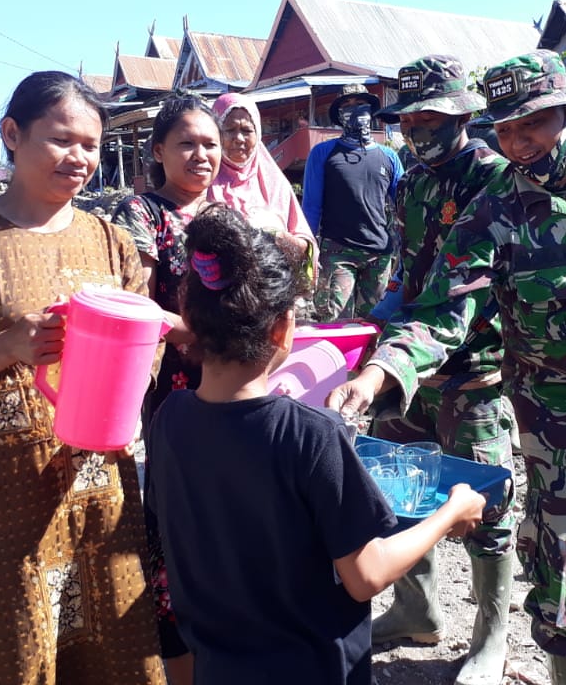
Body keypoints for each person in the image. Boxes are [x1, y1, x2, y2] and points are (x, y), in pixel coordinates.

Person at [329, 50, 566, 684]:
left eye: (532, 124)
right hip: (563, 417)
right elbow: (444, 310)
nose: (517, 142)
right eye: (504, 128)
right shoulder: (493, 209)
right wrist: (382, 369)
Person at [144, 205, 486, 683]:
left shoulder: (168, 420)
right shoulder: (310, 433)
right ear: (283, 329)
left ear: (189, 316)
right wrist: (451, 512)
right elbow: (365, 574)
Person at [0, 71, 163, 684]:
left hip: (98, 486)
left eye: (92, 146)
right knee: (14, 650)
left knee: (112, 646)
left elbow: (143, 345)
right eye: (63, 139)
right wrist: (9, 345)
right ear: (12, 135)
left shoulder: (110, 240)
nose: (80, 159)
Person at [352, 54, 518, 685]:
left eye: (432, 116)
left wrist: (391, 357)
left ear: (465, 114)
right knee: (400, 489)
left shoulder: (496, 180)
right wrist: (381, 315)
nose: (419, 129)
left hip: (473, 368)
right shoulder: (413, 182)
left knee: (482, 506)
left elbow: (460, 301)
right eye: (410, 118)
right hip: (407, 367)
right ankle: (417, 609)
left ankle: (492, 638)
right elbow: (407, 269)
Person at [109, 93, 221, 683]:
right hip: (178, 389)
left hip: (233, 387)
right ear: (158, 151)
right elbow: (137, 304)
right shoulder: (144, 213)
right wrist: (198, 337)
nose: (201, 154)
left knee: (228, 514)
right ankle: (179, 657)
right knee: (177, 520)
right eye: (187, 143)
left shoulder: (227, 209)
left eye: (210, 142)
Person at [301, 83, 403, 321]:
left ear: (371, 110)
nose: (354, 110)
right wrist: (308, 253)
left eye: (360, 104)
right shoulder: (323, 154)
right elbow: (311, 208)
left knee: (375, 323)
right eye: (347, 105)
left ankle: (369, 360)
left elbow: (403, 207)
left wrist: (405, 252)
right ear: (339, 115)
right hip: (337, 253)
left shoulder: (389, 157)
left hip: (379, 255)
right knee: (335, 322)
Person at [208, 92, 316, 274]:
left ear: (257, 134)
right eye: (229, 129)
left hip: (274, 289)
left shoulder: (275, 184)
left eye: (247, 130)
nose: (239, 138)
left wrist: (277, 237)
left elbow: (304, 245)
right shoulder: (203, 183)